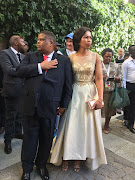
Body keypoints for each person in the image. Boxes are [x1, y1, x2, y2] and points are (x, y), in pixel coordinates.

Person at [16, 30, 72, 180]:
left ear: (51, 43)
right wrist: (41, 66)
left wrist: (63, 105)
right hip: (30, 106)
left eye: (41, 40)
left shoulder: (64, 61)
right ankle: (26, 169)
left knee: (46, 139)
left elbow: (67, 86)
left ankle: (41, 165)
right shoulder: (31, 57)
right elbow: (19, 71)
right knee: (29, 139)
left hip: (50, 108)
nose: (37, 42)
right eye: (38, 40)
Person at [50, 26, 107, 172]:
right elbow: (65, 80)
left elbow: (99, 78)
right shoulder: (70, 58)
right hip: (74, 94)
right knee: (70, 125)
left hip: (90, 94)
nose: (89, 40)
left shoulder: (95, 56)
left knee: (86, 127)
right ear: (79, 39)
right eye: (86, 37)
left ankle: (79, 157)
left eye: (90, 38)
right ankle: (66, 156)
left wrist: (100, 98)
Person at [0, 35, 25, 154]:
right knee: (10, 117)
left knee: (20, 114)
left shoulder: (23, 55)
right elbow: (9, 70)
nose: (24, 42)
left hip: (23, 90)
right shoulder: (5, 53)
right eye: (21, 41)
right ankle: (8, 141)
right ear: (16, 42)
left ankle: (18, 132)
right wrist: (25, 71)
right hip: (11, 91)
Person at [101, 48, 121, 134]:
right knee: (99, 109)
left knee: (109, 108)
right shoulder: (98, 65)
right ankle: (96, 125)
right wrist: (101, 78)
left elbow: (121, 76)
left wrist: (118, 78)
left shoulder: (115, 65)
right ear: (102, 56)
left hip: (111, 91)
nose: (108, 58)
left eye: (110, 57)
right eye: (106, 56)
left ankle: (106, 124)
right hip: (100, 91)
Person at [122, 45, 135, 133]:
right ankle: (130, 124)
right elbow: (123, 77)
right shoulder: (126, 63)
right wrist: (124, 90)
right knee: (131, 106)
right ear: (130, 52)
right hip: (130, 86)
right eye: (133, 50)